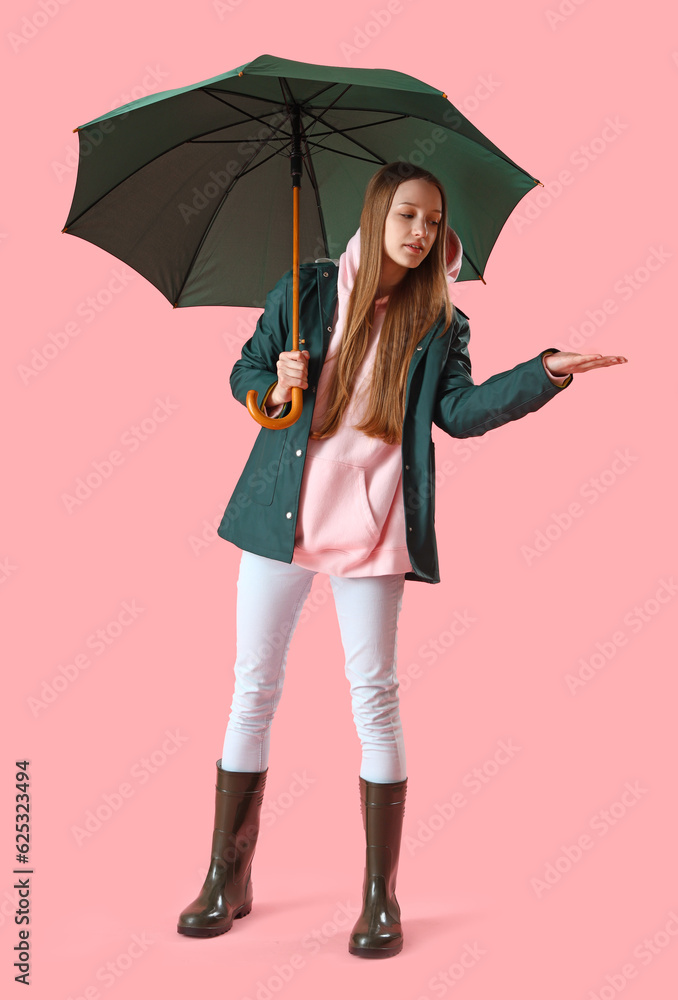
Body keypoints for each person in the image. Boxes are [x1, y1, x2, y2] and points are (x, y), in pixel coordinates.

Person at [177, 162, 627, 957]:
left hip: (376, 526)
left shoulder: (441, 322)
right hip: (281, 516)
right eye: (409, 216)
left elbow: (458, 411)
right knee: (253, 689)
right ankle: (226, 877)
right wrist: (276, 385)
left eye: (434, 220)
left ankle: (380, 899)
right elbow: (246, 372)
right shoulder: (306, 289)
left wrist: (546, 372)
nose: (422, 233)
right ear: (378, 214)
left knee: (374, 699)